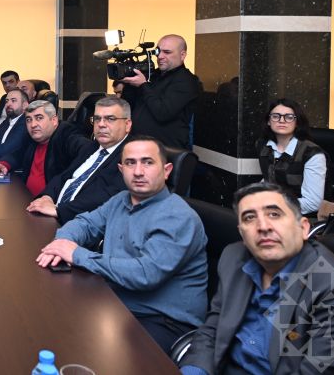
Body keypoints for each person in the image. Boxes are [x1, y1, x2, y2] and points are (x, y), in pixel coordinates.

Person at [179, 182, 334, 374]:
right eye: (249, 218)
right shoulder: (233, 258)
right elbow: (213, 330)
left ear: (303, 228)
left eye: (274, 214)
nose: (263, 226)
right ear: (242, 234)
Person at [37, 136, 207, 354]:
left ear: (166, 171)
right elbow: (85, 223)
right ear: (121, 169)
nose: (138, 171)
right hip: (116, 302)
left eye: (147, 162)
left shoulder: (178, 216)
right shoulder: (121, 199)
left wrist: (77, 254)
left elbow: (144, 274)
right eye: (130, 163)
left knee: (90, 351)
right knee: (47, 319)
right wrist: (62, 242)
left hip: (162, 321)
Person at [26, 96, 132, 225]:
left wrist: (59, 211)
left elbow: (107, 197)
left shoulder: (131, 156)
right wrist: (47, 196)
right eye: (97, 119)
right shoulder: (92, 147)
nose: (101, 124)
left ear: (127, 125)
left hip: (82, 225)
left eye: (110, 119)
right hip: (52, 216)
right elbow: (64, 177)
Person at [120, 33, 199, 149]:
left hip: (165, 150)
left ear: (182, 55)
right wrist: (129, 80)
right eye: (158, 51)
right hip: (137, 145)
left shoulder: (187, 80)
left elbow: (163, 113)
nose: (160, 56)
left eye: (167, 52)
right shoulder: (153, 75)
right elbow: (127, 105)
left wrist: (143, 85)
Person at [257, 97, 326, 217]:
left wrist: (273, 206)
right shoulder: (263, 146)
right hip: (271, 212)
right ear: (268, 121)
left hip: (303, 217)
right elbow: (269, 177)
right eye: (276, 116)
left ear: (297, 122)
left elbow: (313, 203)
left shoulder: (312, 154)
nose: (281, 120)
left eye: (289, 117)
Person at [0, 100, 75, 195]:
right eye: (29, 120)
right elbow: (19, 154)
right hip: (25, 197)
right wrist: (4, 164)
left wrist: (50, 197)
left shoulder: (67, 136)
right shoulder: (32, 138)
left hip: (49, 201)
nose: (33, 125)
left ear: (54, 120)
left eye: (39, 118)